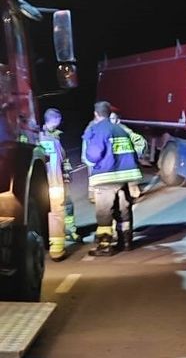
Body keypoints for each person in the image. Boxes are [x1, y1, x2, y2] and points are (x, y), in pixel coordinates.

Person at [83, 101, 143, 256]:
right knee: (123, 210)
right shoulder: (120, 129)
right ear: (110, 113)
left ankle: (104, 246)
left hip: (106, 177)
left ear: (96, 114)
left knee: (104, 213)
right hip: (123, 178)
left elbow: (93, 155)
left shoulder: (99, 129)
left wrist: (90, 160)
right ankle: (126, 242)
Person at [39, 108, 78, 261]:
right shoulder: (40, 137)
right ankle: (56, 242)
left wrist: (67, 176)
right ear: (54, 120)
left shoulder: (55, 136)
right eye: (58, 120)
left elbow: (64, 159)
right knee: (56, 211)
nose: (59, 123)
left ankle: (70, 230)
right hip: (51, 182)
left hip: (58, 180)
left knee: (67, 205)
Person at [109, 109, 147, 199]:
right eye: (109, 119)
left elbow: (140, 142)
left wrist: (135, 155)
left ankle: (132, 192)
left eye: (113, 118)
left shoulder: (124, 130)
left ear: (118, 120)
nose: (111, 121)